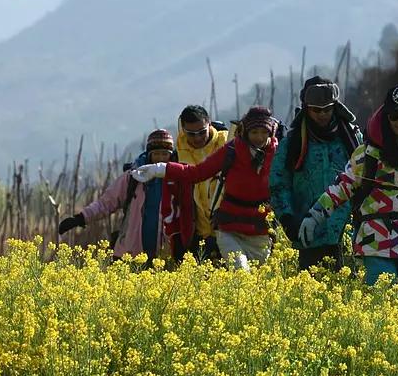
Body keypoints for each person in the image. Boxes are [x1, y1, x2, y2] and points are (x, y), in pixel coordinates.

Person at [298, 85, 398, 302]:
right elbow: (342, 186)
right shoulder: (367, 155)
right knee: (382, 299)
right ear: (386, 116)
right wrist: (315, 216)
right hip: (375, 240)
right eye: (395, 115)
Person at [134, 106, 278, 270]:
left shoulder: (279, 154)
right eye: (254, 132)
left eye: (263, 132)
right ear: (245, 132)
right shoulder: (232, 150)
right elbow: (197, 173)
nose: (259, 137)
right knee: (240, 274)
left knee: (257, 282)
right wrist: (160, 169)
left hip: (260, 231)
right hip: (228, 228)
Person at [270, 77, 362, 270]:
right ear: (306, 108)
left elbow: (364, 177)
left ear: (335, 107)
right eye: (316, 110)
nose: (322, 115)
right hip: (308, 231)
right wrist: (287, 219)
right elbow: (279, 184)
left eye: (327, 109)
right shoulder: (293, 142)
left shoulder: (352, 136)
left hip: (348, 231)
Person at [57, 129, 176, 261]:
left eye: (165, 154)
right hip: (132, 253)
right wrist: (81, 218)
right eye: (156, 154)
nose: (160, 159)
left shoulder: (178, 180)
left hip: (166, 254)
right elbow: (106, 203)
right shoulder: (134, 178)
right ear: (149, 155)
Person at [171, 105, 230, 261]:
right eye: (191, 134)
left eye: (201, 132)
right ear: (182, 129)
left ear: (209, 123)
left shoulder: (228, 143)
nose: (197, 138)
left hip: (230, 228)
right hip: (199, 233)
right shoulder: (178, 154)